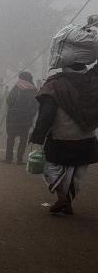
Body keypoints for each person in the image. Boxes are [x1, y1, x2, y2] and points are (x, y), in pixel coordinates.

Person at [30, 62, 98, 215]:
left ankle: (62, 197)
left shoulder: (54, 85)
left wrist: (38, 135)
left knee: (50, 167)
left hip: (61, 136)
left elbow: (46, 115)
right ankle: (68, 202)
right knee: (77, 173)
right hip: (86, 138)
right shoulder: (93, 84)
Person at [3, 72, 38, 164]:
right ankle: (19, 159)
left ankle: (8, 158)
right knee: (23, 138)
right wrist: (32, 116)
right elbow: (36, 105)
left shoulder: (17, 87)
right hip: (26, 118)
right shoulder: (34, 89)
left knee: (11, 137)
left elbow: (9, 99)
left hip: (13, 116)